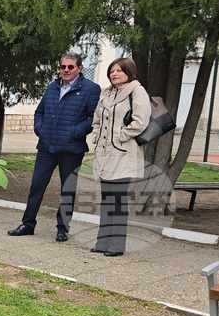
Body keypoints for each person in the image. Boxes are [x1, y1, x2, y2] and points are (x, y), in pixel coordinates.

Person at [8, 53, 100, 241]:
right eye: (63, 67)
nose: (66, 70)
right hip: (46, 147)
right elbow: (39, 112)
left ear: (79, 68)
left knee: (67, 189)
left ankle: (62, 228)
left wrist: (73, 132)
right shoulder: (52, 87)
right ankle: (27, 224)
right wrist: (40, 129)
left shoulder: (91, 89)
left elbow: (93, 119)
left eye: (70, 67)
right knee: (37, 186)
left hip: (71, 149)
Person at [89, 57, 150, 257]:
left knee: (117, 201)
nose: (114, 74)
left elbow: (141, 121)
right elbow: (97, 119)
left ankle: (116, 245)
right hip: (105, 154)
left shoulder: (136, 91)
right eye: (112, 70)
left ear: (129, 72)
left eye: (118, 70)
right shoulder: (107, 93)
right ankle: (102, 243)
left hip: (124, 153)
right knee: (107, 199)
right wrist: (96, 135)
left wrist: (120, 136)